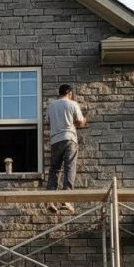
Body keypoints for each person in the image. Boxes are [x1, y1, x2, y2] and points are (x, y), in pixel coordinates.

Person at [46, 84, 86, 213]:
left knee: (54, 170)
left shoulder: (51, 106)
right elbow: (79, 122)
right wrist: (84, 120)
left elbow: (48, 122)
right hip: (69, 139)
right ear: (69, 93)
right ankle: (66, 200)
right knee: (69, 168)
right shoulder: (72, 104)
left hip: (55, 140)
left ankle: (50, 200)